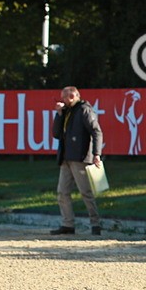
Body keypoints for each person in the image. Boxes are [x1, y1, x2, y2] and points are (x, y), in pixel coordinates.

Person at [51, 85, 103, 235]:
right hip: (66, 157)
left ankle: (95, 224)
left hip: (80, 157)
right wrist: (59, 114)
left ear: (72, 97)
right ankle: (68, 223)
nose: (62, 101)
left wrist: (96, 154)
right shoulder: (66, 111)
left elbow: (96, 131)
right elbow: (56, 133)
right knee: (62, 192)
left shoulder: (84, 110)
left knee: (86, 192)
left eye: (64, 98)